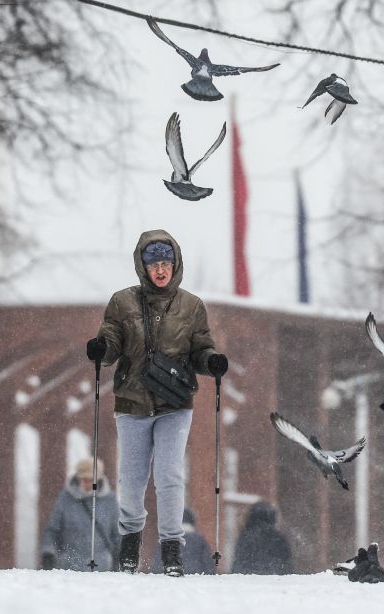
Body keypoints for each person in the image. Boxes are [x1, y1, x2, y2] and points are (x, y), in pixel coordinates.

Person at [85, 229, 228, 577]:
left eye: (166, 263)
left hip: (175, 404)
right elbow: (113, 341)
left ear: (175, 264)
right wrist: (102, 351)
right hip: (132, 403)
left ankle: (171, 551)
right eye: (154, 264)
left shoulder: (192, 306)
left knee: (169, 476)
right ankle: (130, 548)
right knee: (132, 480)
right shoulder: (122, 302)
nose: (161, 270)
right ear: (142, 266)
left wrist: (211, 361)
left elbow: (199, 348)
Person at [41, 458, 119, 571]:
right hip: (69, 568)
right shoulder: (65, 498)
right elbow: (52, 529)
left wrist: (121, 557)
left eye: (91, 480)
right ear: (78, 479)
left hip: (102, 570)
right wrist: (48, 552)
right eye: (84, 479)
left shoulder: (110, 500)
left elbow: (117, 534)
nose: (88, 483)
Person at [231, 502, 293, 575]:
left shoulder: (246, 536)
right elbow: (286, 567)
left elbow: (239, 563)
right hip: (273, 580)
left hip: (249, 581)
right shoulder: (278, 538)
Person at [150, 507, 215, 575]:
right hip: (195, 579)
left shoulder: (166, 539)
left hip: (170, 580)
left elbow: (156, 564)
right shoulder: (198, 540)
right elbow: (208, 565)